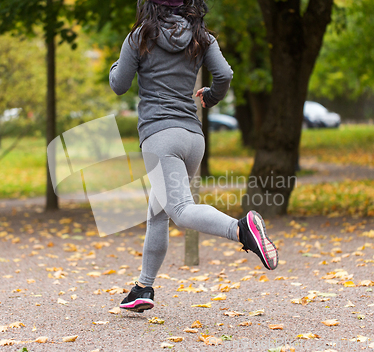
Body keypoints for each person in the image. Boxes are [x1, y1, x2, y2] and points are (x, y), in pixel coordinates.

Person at [109, 0, 278, 313]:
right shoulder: (202, 36)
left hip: (161, 138)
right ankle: (143, 288)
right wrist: (211, 97)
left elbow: (119, 85)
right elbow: (225, 75)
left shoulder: (140, 36)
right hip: (192, 137)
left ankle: (241, 229)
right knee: (158, 211)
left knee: (180, 210)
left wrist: (113, 68)